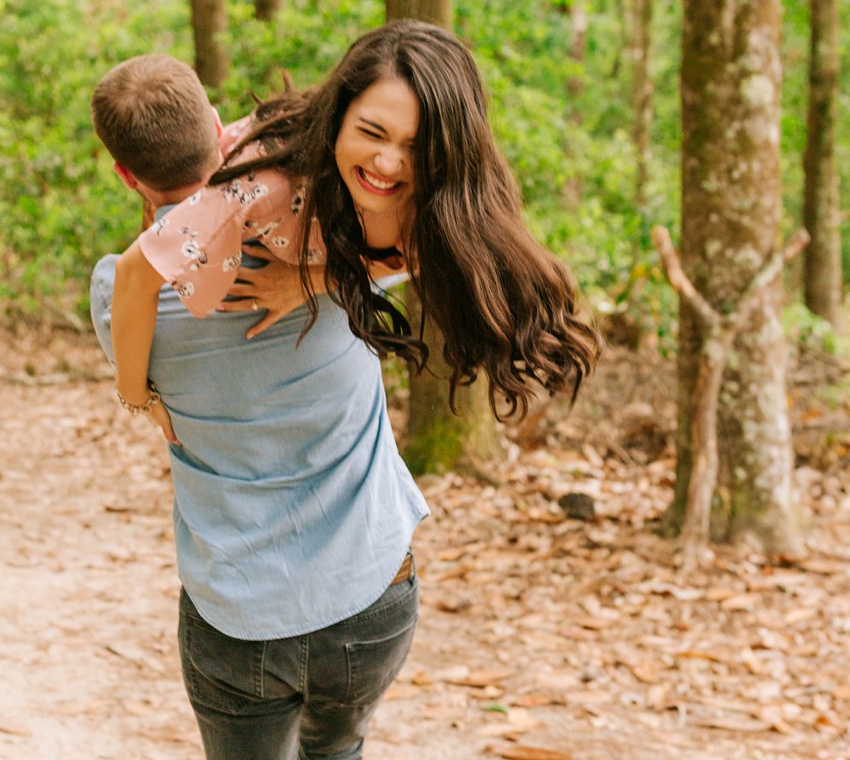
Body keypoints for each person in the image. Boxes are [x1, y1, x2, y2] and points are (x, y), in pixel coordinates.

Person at [88, 31, 597, 760]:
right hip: (375, 595)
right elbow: (419, 236)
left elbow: (136, 315)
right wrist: (322, 278)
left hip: (239, 622)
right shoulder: (330, 228)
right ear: (224, 128)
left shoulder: (137, 284)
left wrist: (137, 389)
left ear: (126, 177)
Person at [101, 22, 598, 447]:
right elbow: (131, 274)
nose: (387, 164)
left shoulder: (448, 195)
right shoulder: (251, 189)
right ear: (340, 118)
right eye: (372, 133)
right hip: (257, 185)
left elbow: (408, 256)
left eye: (414, 146)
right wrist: (139, 399)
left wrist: (310, 282)